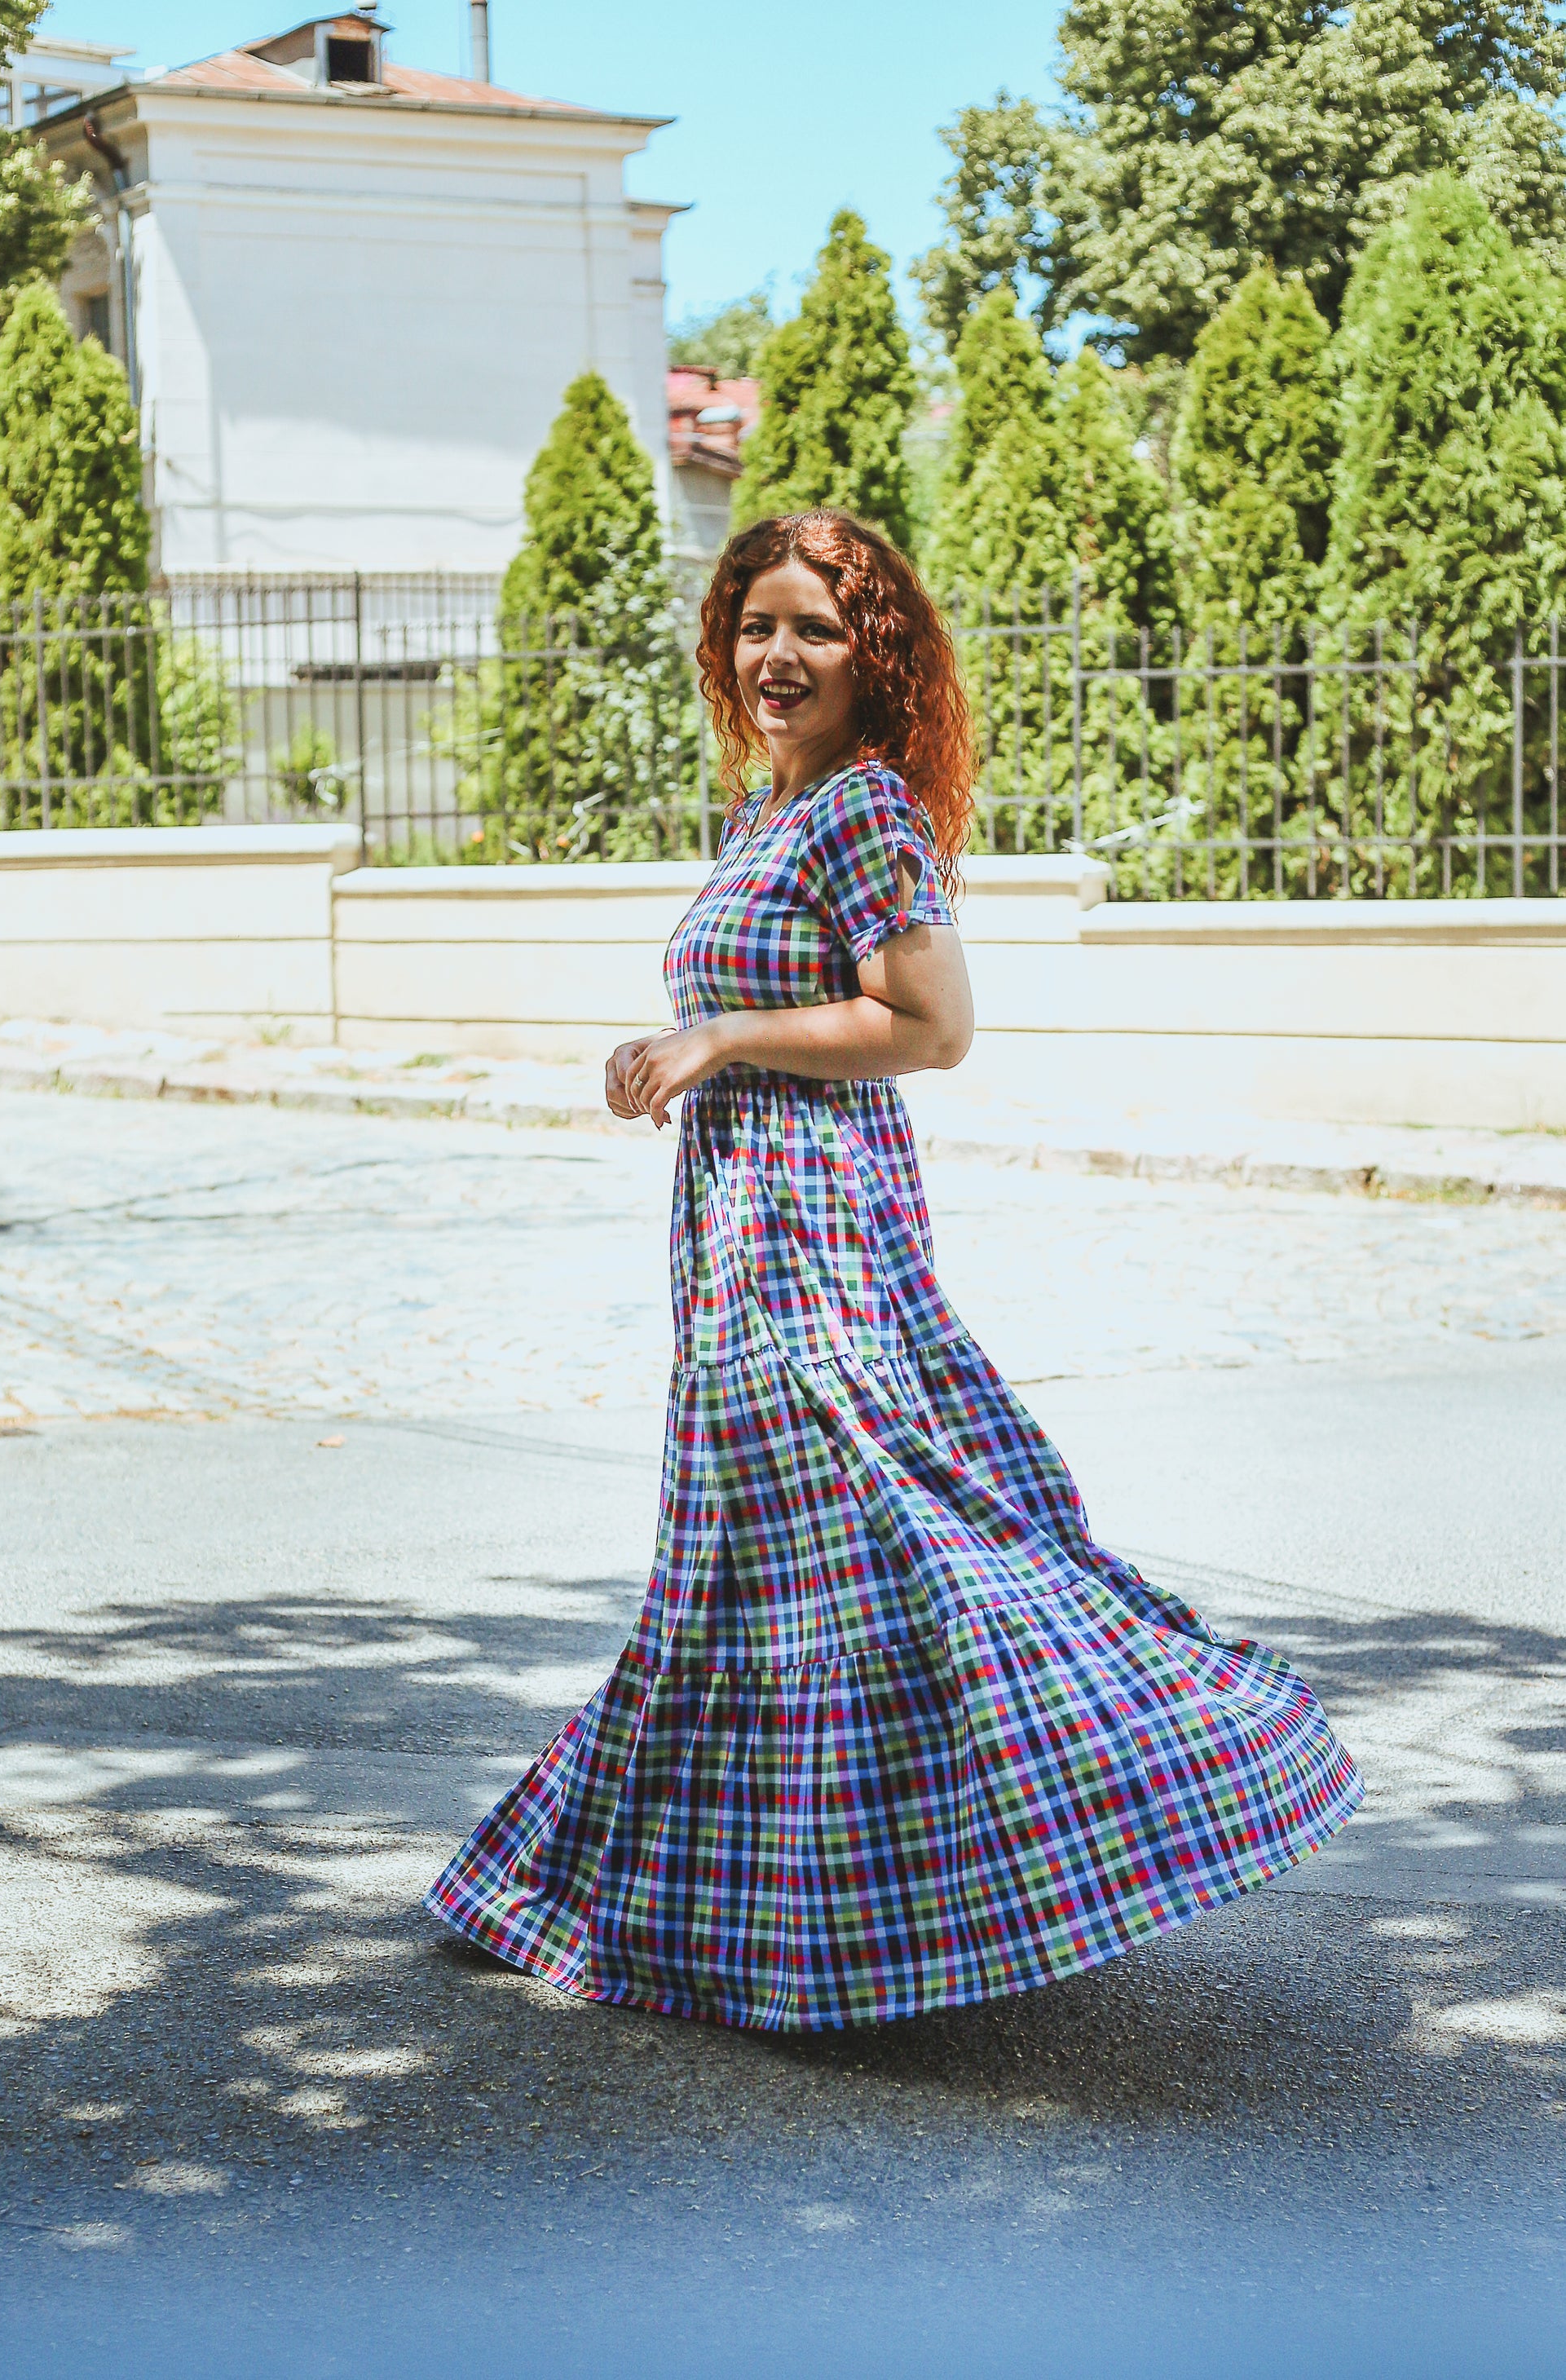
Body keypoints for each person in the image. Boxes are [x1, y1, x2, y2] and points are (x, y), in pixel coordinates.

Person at [426, 510, 1361, 2031]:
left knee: (888, 1532)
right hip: (735, 1233)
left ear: (875, 657)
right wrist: (679, 1047)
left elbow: (929, 1026)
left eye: (812, 629)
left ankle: (1151, 1771)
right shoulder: (763, 811)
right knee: (743, 1574)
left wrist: (720, 1034)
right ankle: (622, 1899)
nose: (776, 657)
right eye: (754, 628)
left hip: (818, 1237)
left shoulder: (862, 811)